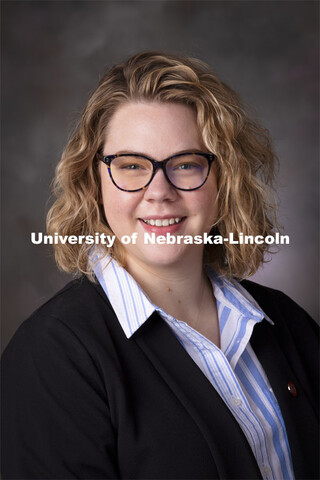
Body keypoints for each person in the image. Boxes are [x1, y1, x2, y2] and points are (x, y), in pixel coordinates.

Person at [1, 51, 318, 480]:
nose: (159, 192)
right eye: (131, 166)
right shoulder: (52, 356)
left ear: (226, 180)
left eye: (186, 164)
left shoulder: (287, 324)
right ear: (92, 182)